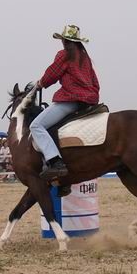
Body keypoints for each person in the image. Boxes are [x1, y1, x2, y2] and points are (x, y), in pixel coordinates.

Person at [31, 24, 100, 180]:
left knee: (36, 125)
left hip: (70, 100)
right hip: (88, 101)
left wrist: (40, 83)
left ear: (65, 41)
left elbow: (51, 74)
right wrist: (92, 96)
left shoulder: (64, 55)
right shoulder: (85, 57)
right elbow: (96, 83)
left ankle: (55, 161)